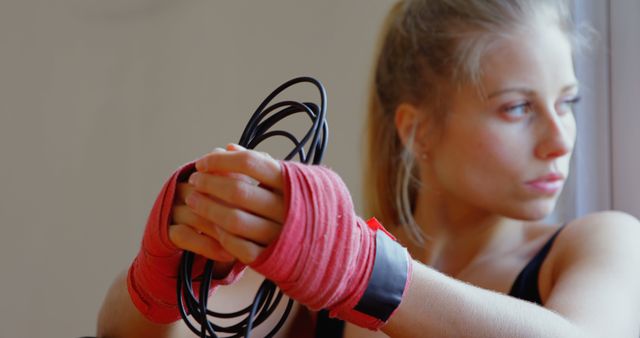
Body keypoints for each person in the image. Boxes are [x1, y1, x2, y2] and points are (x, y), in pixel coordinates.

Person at [97, 0, 640, 337]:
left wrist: (364, 269)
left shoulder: (602, 243)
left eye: (568, 102)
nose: (559, 139)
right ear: (417, 129)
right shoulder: (317, 275)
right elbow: (131, 332)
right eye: (517, 108)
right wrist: (165, 267)